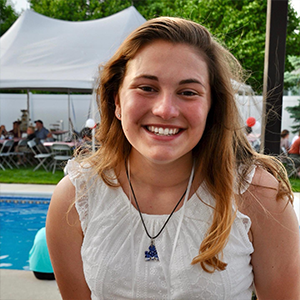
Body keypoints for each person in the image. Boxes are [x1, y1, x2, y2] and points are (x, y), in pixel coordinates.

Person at [46, 17, 300, 300]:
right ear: (116, 101)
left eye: (188, 92)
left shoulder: (257, 196)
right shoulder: (75, 199)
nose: (165, 109)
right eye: (147, 87)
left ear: (211, 107)